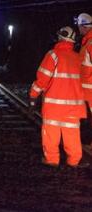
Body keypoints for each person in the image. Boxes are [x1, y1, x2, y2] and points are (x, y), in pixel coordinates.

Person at [29, 26, 86, 168]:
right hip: (74, 107)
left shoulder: (53, 55)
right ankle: (74, 162)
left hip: (54, 106)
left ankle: (52, 161)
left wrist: (32, 96)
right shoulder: (78, 58)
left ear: (59, 38)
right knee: (72, 134)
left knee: (51, 134)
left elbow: (42, 79)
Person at [75, 12, 92, 133]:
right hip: (86, 90)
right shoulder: (86, 42)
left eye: (79, 26)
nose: (78, 29)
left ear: (84, 26)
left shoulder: (90, 43)